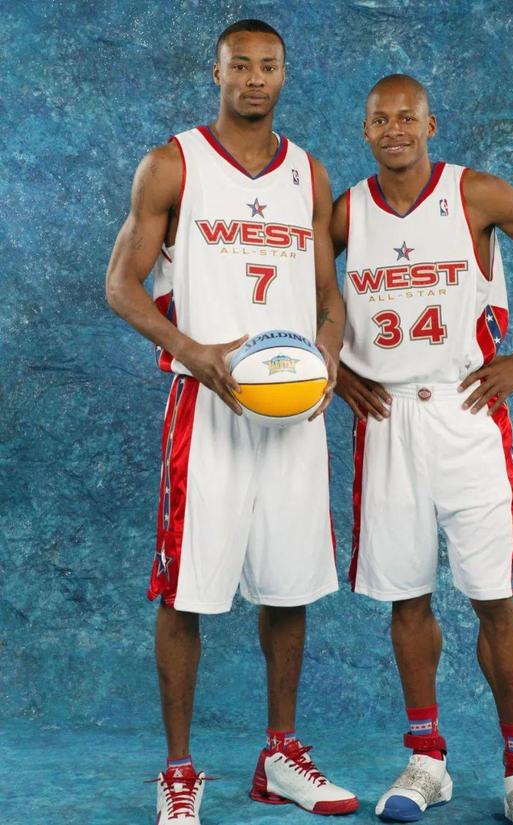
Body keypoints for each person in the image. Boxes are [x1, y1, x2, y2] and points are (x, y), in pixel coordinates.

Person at [106, 19, 358, 824]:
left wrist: (327, 359)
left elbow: (329, 298)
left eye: (268, 66)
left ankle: (279, 756)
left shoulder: (308, 174)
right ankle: (179, 771)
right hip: (206, 405)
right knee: (185, 591)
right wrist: (192, 349)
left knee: (289, 586)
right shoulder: (173, 163)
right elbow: (121, 284)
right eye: (240, 65)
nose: (255, 78)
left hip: (292, 413)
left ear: (284, 75)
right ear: (215, 72)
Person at [331, 74, 513, 824]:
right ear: (365, 130)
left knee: (492, 598)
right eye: (380, 119)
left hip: (465, 411)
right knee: (407, 598)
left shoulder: (475, 193)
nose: (394, 129)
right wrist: (336, 371)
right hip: (387, 419)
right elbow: (300, 287)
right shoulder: (347, 211)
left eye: (406, 117)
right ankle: (427, 760)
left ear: (431, 124)